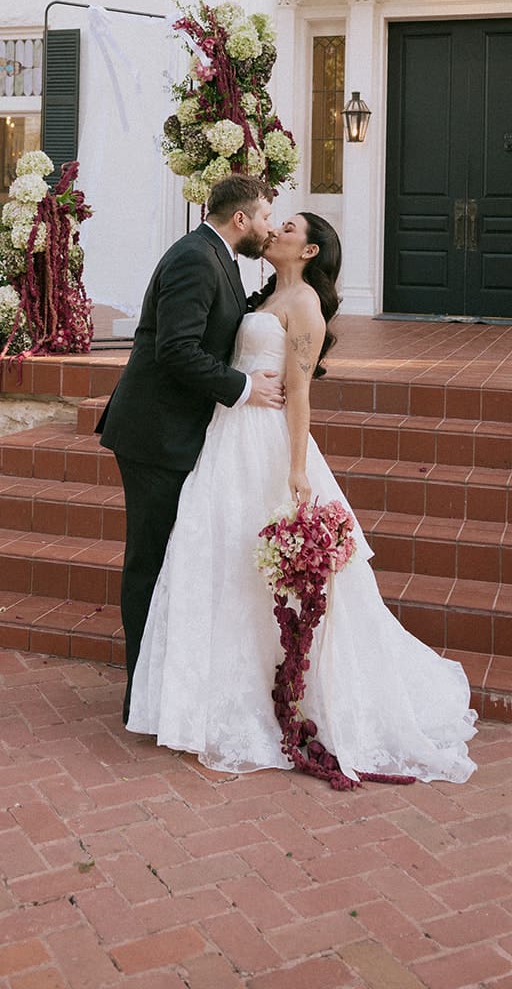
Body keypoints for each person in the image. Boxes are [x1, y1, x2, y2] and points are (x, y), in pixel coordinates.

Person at [125, 210, 478, 784]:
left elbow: (300, 396)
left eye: (287, 228)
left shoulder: (305, 307)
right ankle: (202, 699)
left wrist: (296, 470)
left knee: (253, 568)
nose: (276, 231)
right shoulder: (262, 295)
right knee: (213, 559)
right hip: (224, 438)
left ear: (309, 252)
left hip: (264, 446)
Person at [97, 175, 285, 725]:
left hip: (179, 433)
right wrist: (245, 389)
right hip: (155, 434)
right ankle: (142, 693)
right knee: (149, 564)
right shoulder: (195, 259)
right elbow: (176, 350)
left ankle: (163, 687)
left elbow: (225, 320)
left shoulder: (219, 256)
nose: (271, 228)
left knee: (172, 561)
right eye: (267, 218)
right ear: (241, 219)